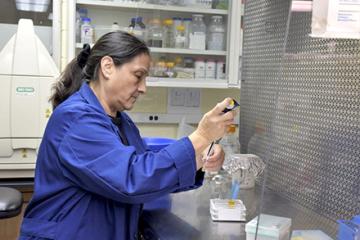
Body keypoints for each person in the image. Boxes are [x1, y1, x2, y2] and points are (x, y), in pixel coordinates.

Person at [19, 31, 236, 240]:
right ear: (107, 67)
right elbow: (133, 177)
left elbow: (143, 160)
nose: (143, 88)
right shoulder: (75, 119)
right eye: (138, 76)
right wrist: (200, 137)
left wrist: (201, 155)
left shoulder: (120, 119)